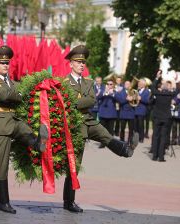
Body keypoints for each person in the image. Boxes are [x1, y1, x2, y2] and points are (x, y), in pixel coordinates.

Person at [63, 45, 138, 213]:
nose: (82, 64)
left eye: (83, 62)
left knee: (106, 136)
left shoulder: (89, 82)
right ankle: (69, 201)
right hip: (75, 126)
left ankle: (126, 150)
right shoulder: (64, 83)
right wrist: (77, 102)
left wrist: (75, 101)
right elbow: (68, 103)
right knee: (75, 164)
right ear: (71, 64)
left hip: (89, 121)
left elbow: (91, 101)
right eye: (78, 61)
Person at [0, 45, 47, 214]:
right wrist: (17, 95)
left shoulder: (12, 82)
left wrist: (19, 93)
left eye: (7, 63)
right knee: (2, 164)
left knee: (24, 129)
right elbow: (4, 95)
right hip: (0, 125)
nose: (5, 65)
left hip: (14, 119)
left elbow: (23, 92)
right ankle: (4, 202)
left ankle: (38, 143)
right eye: (2, 63)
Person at [150, 73, 179, 162]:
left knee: (155, 136)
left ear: (162, 88)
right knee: (163, 137)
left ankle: (154, 156)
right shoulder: (170, 94)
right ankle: (161, 157)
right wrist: (176, 80)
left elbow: (152, 87)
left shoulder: (158, 93)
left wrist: (157, 77)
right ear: (168, 88)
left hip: (157, 117)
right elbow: (177, 91)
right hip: (166, 118)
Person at [97, 79, 118, 148]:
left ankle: (111, 144)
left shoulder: (115, 92)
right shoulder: (102, 91)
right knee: (102, 130)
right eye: (108, 84)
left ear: (113, 85)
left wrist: (113, 94)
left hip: (111, 114)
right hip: (103, 113)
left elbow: (120, 100)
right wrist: (104, 92)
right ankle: (102, 143)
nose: (109, 85)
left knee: (111, 130)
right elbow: (98, 97)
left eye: (111, 84)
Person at [134, 78, 150, 143]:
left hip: (141, 110)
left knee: (140, 125)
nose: (138, 84)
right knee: (135, 125)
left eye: (140, 83)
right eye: (138, 83)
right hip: (135, 110)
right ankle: (136, 138)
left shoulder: (147, 91)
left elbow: (148, 101)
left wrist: (141, 98)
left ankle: (141, 138)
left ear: (144, 84)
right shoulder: (136, 90)